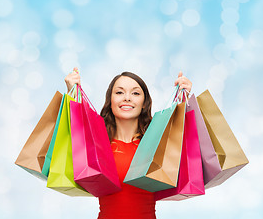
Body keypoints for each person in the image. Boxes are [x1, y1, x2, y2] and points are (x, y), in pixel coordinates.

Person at [65, 68, 192, 219]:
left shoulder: (157, 145)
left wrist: (185, 102)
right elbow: (72, 138)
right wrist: (72, 92)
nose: (127, 98)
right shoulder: (98, 144)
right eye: (119, 92)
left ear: (144, 103)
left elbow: (188, 156)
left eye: (135, 93)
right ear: (110, 101)